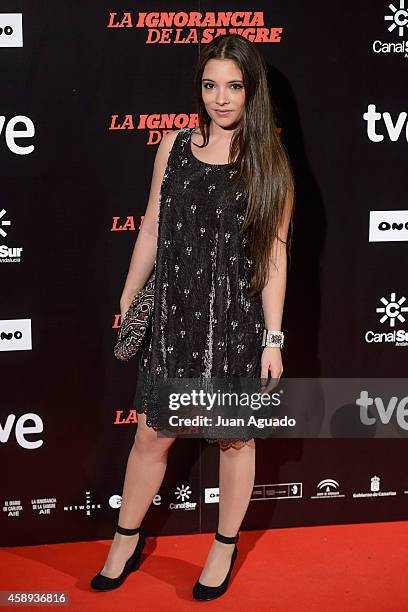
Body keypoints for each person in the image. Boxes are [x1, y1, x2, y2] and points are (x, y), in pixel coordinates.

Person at [91, 33, 294, 601]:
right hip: (176, 317)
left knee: (234, 441)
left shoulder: (269, 164)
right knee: (151, 435)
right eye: (210, 85)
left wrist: (272, 337)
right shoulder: (175, 146)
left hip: (236, 325)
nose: (220, 98)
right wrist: (130, 296)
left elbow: (274, 253)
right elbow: (153, 225)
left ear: (252, 92)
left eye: (233, 86)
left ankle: (224, 547)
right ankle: (125, 539)